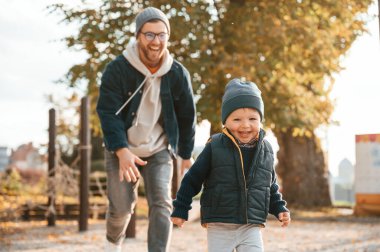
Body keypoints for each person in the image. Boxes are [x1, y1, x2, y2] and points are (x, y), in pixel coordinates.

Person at [96, 6, 196, 252]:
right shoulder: (117, 69)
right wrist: (121, 151)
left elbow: (187, 117)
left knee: (162, 204)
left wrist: (185, 155)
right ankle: (112, 245)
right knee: (121, 207)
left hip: (159, 148)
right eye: (149, 35)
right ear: (138, 36)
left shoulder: (177, 73)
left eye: (162, 35)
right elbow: (107, 112)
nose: (156, 41)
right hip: (123, 149)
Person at [171, 78, 290, 252]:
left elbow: (269, 185)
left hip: (251, 225)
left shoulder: (267, 150)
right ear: (225, 122)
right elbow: (192, 179)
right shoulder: (215, 146)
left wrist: (279, 208)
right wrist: (181, 208)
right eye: (237, 119)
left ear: (260, 120)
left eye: (252, 118)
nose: (245, 125)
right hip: (220, 224)